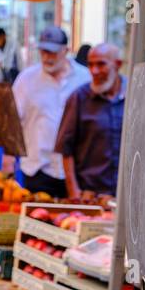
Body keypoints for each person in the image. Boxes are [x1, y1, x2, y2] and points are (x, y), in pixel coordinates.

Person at [13, 26, 89, 198]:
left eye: (53, 52)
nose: (47, 57)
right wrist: (9, 159)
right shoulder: (26, 79)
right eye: (43, 51)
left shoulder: (84, 78)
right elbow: (12, 122)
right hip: (38, 168)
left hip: (76, 172)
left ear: (66, 51)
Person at [56, 43, 125, 198]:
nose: (94, 71)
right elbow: (65, 150)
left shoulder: (133, 96)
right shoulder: (79, 98)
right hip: (90, 196)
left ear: (118, 65)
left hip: (126, 196)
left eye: (101, 64)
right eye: (91, 65)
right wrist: (73, 191)